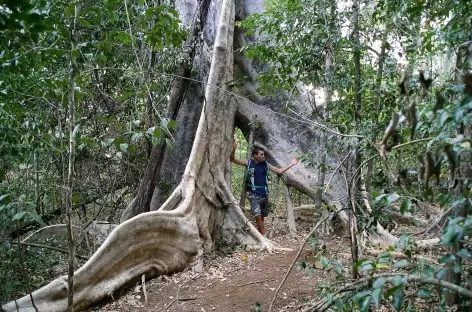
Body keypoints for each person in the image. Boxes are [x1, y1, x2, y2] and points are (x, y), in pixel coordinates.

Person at [230, 138, 299, 235]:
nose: (263, 156)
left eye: (263, 154)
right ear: (255, 155)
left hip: (264, 194)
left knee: (262, 216)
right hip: (254, 194)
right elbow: (232, 160)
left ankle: (260, 234)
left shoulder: (266, 164)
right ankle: (264, 236)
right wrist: (234, 149)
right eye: (261, 155)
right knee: (257, 215)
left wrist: (292, 164)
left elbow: (279, 171)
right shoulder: (249, 163)